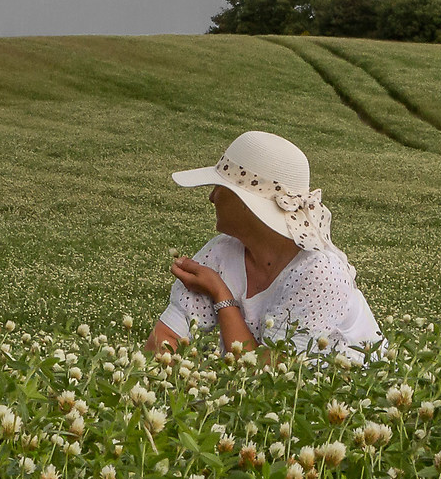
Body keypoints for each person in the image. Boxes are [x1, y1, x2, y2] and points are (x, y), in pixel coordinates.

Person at [147, 129, 382, 360]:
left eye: (221, 188)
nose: (211, 197)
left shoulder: (319, 272)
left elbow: (269, 376)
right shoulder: (220, 253)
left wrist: (220, 294)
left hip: (349, 393)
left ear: (246, 204)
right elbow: (162, 341)